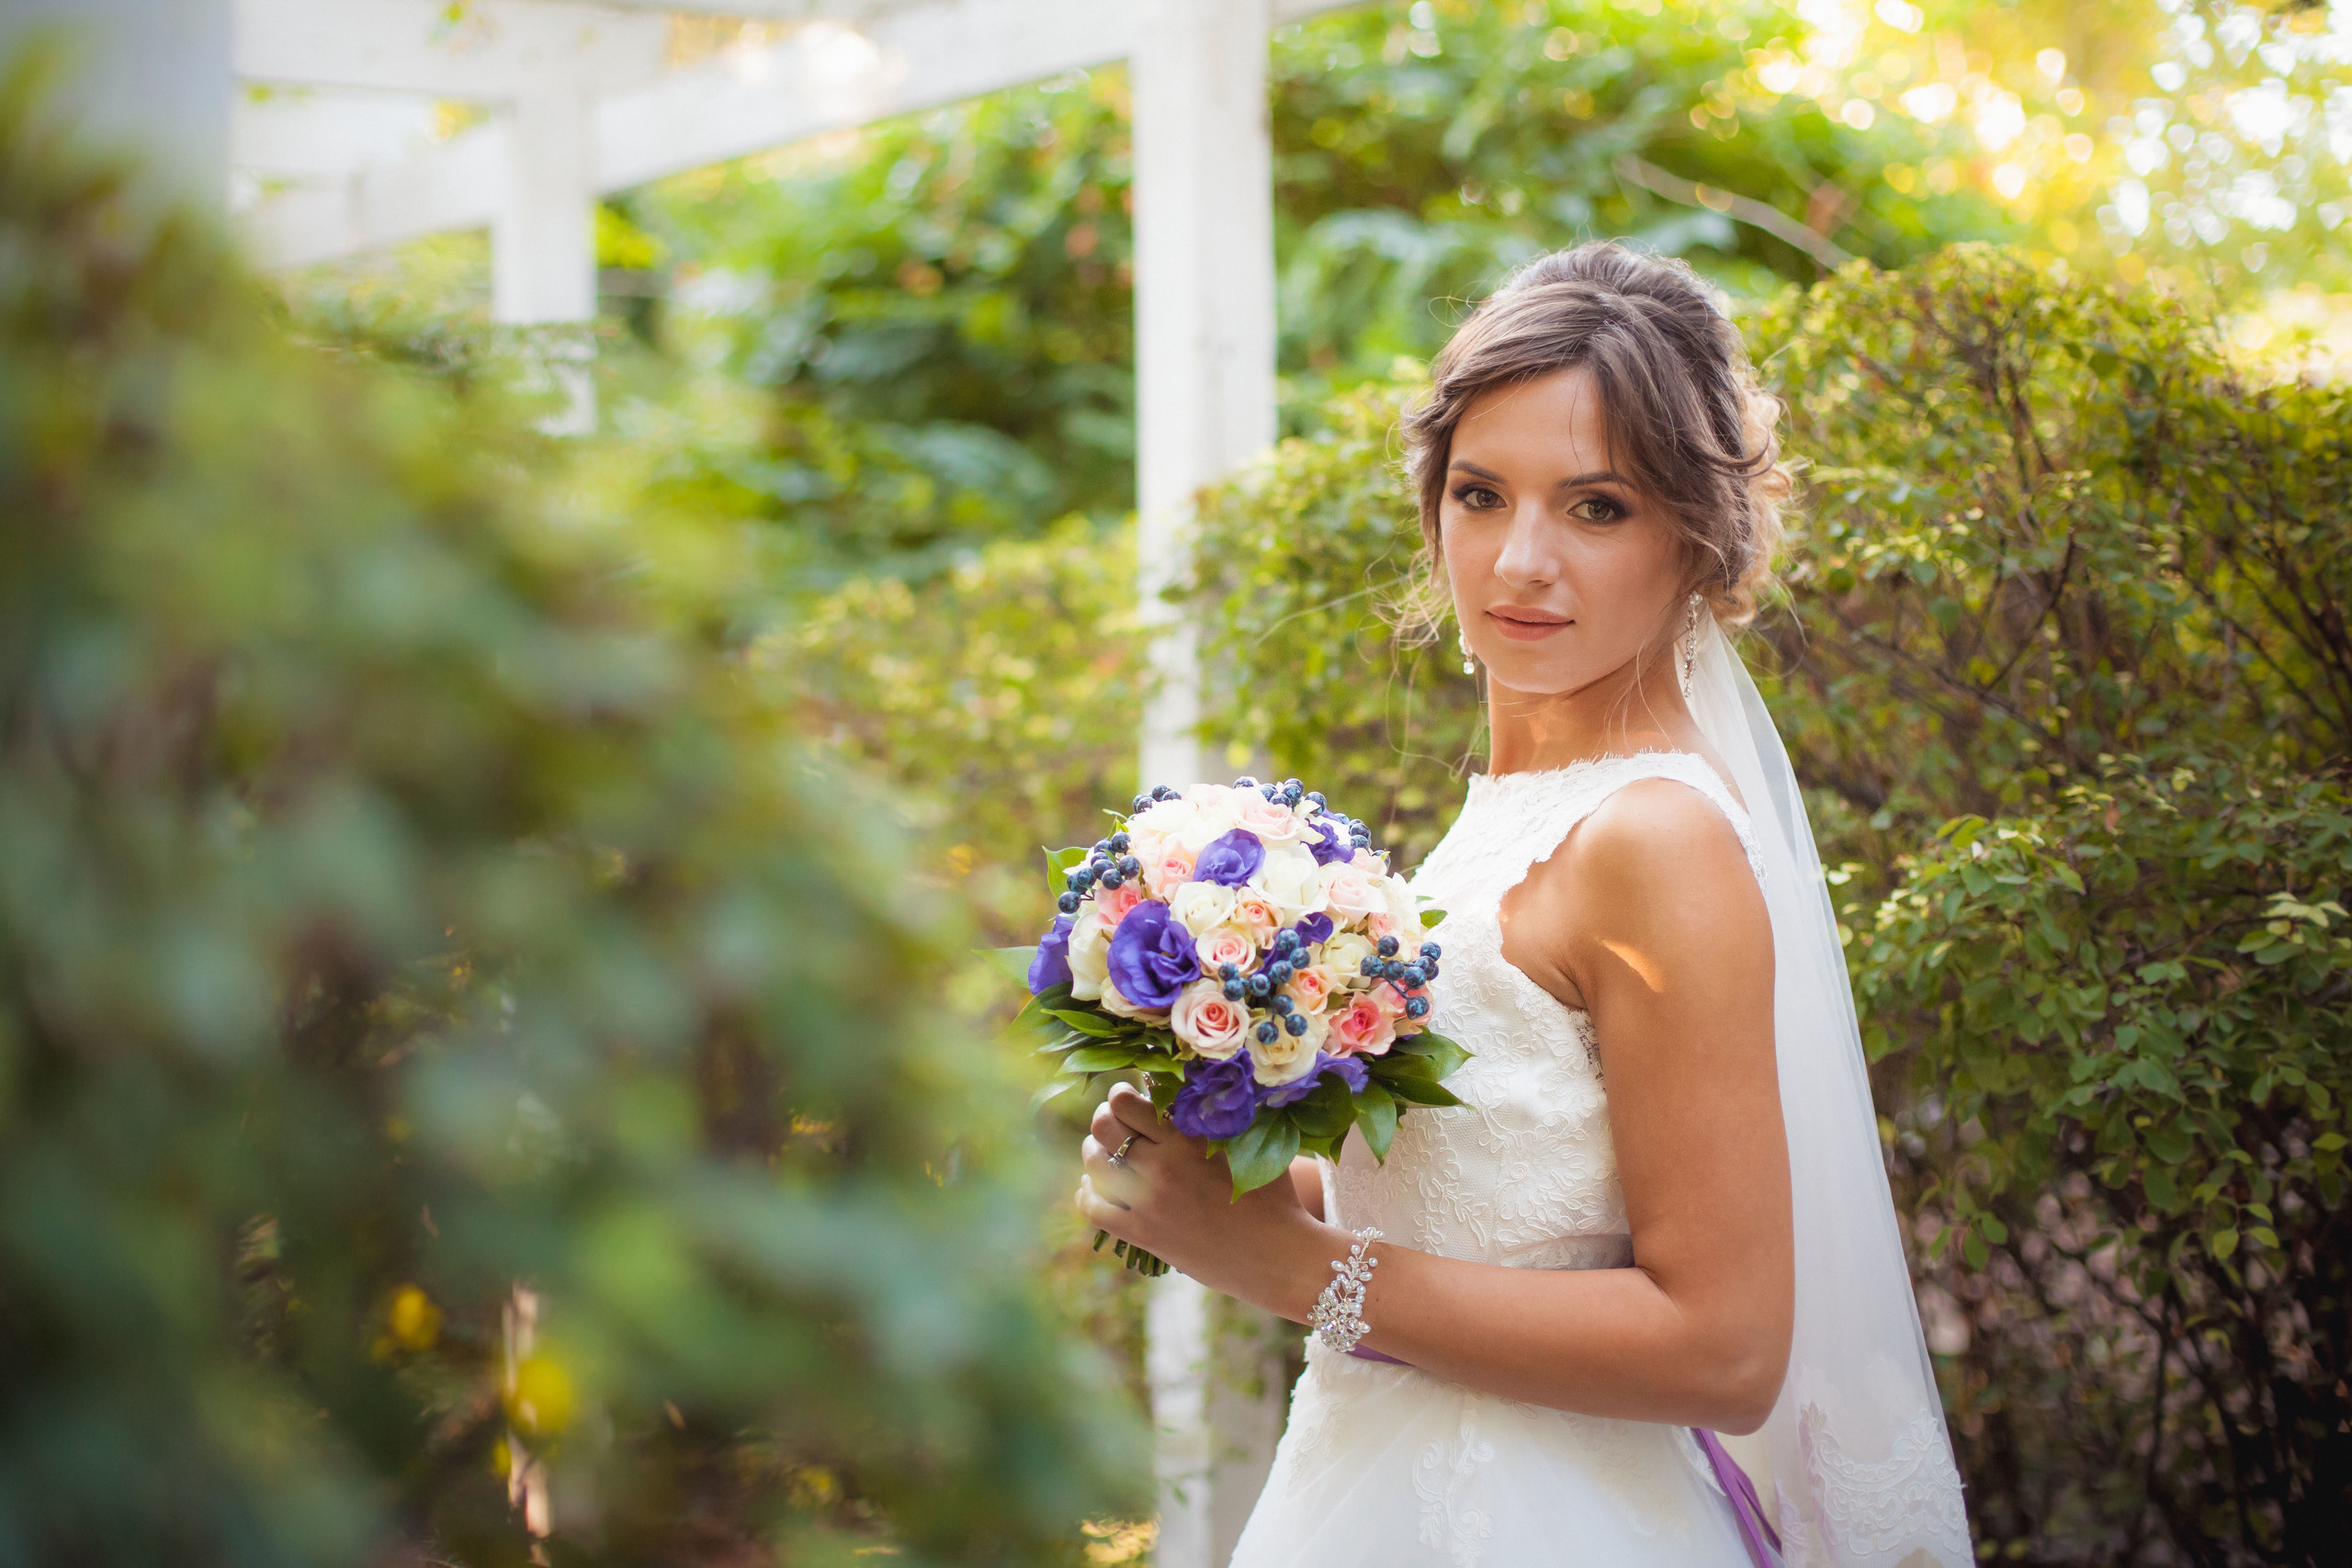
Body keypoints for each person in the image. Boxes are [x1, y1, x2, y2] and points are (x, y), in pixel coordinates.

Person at [1077, 242, 1972, 1567]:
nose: (1519, 560)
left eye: (1597, 507)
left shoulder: (1655, 837)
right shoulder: (1518, 810)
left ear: (1698, 535)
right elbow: (1517, 1183)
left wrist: (1291, 1271)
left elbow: (1724, 1347)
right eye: (1481, 494)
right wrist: (1234, 1177)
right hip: (1373, 1480)